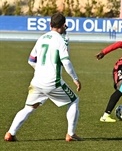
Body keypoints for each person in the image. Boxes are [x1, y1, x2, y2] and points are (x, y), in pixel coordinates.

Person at [4, 12, 82, 141]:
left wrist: (41, 70)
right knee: (74, 101)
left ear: (50, 24)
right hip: (53, 82)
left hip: (37, 81)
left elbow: (31, 60)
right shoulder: (61, 40)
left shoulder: (42, 38)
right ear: (63, 25)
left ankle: (10, 133)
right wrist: (75, 78)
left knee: (29, 107)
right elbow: (66, 61)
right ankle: (71, 134)